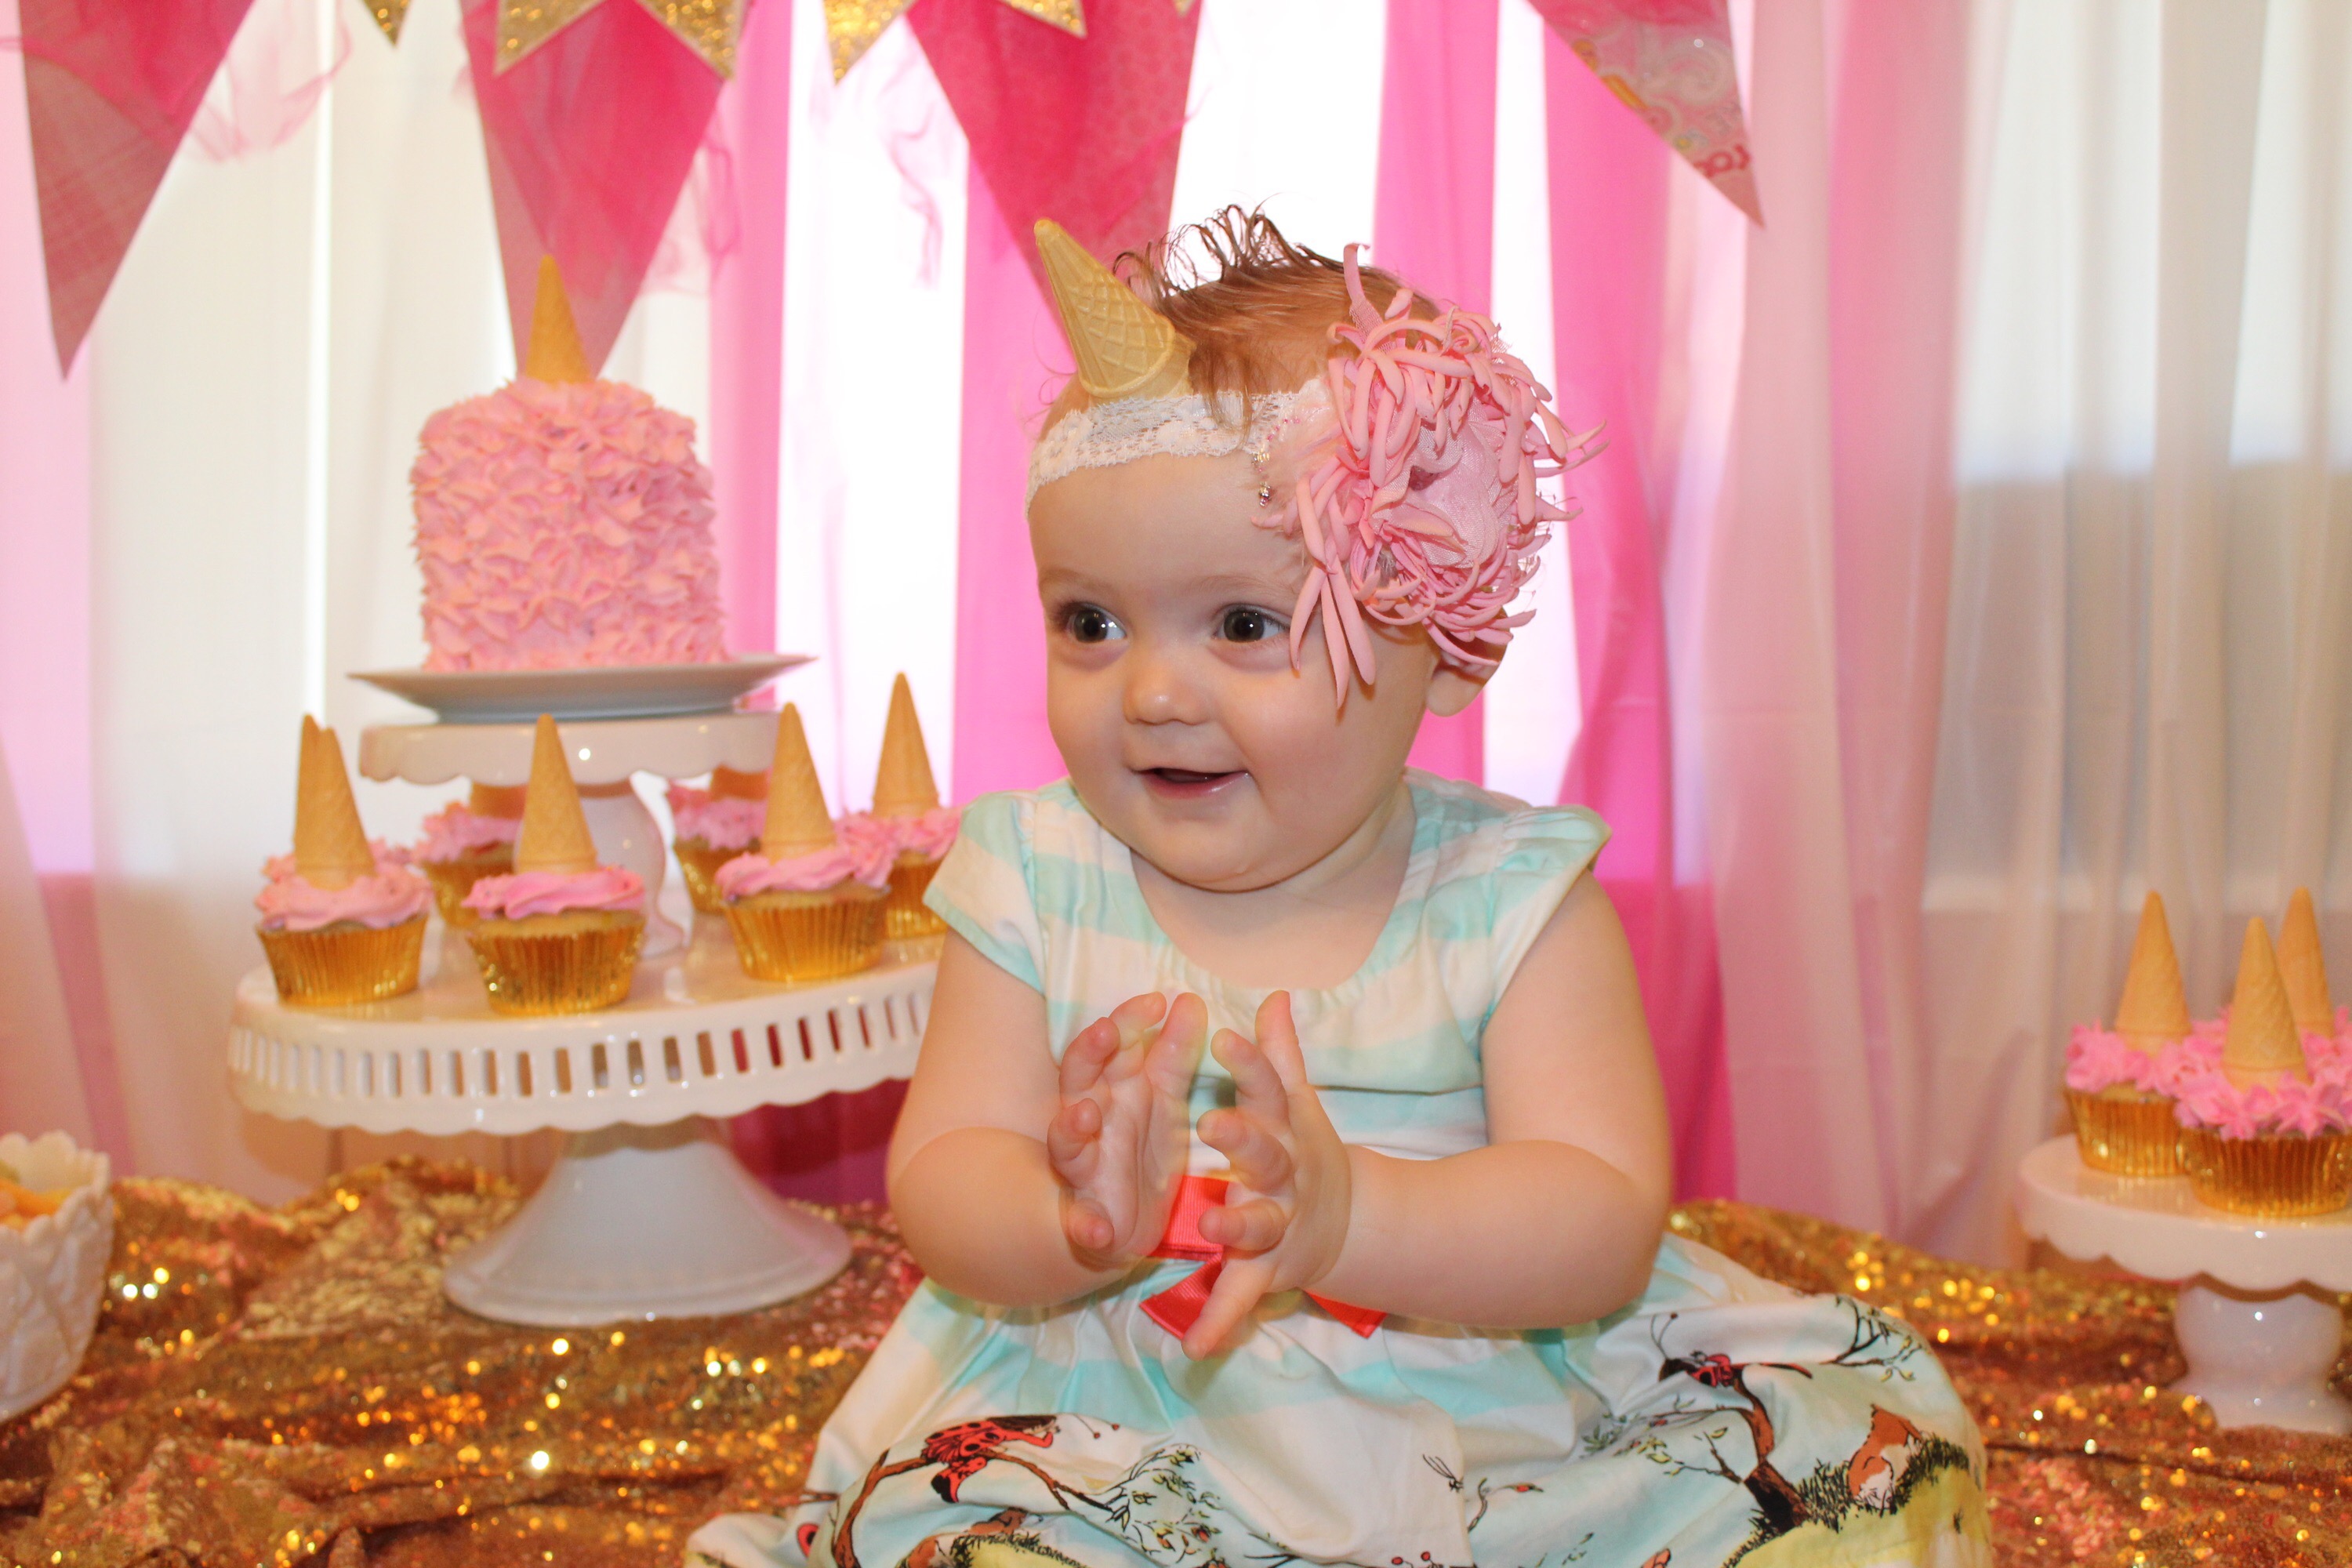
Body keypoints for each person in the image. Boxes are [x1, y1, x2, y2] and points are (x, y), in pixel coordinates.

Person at [690, 210, 1987, 1568]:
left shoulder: (1509, 900)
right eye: (1092, 622)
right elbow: (944, 1170)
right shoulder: (1034, 873)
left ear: (1446, 646)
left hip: (1475, 1409)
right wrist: (1075, 1222)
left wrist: (1351, 1217)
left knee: (1834, 1476)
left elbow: (1601, 1218)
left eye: (1246, 625)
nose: (1152, 690)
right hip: (1110, 1422)